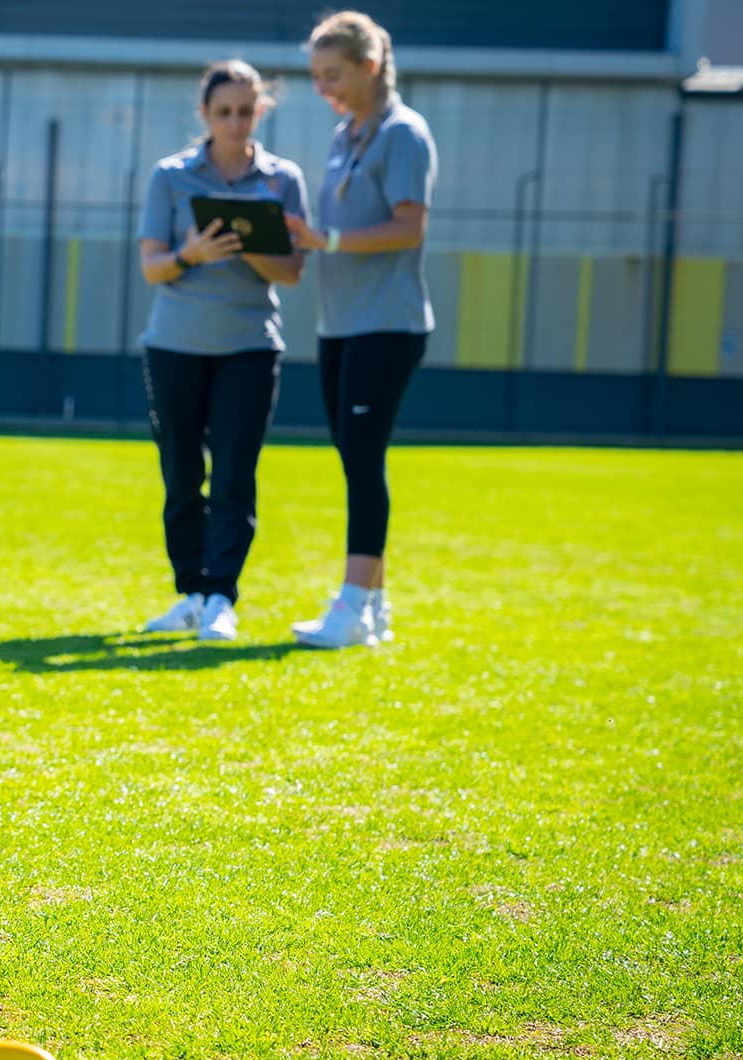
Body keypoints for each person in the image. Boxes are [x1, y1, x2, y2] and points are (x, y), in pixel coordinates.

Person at [136, 61, 308, 643]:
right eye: (224, 112)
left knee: (235, 475)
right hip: (174, 346)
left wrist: (251, 244)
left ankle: (221, 597)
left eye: (246, 111)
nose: (235, 122)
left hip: (249, 347)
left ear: (261, 111)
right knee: (182, 474)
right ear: (205, 116)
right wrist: (194, 254)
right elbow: (152, 266)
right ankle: (190, 592)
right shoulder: (170, 176)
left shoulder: (283, 180)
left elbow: (292, 272)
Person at [284, 10, 437, 650]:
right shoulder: (345, 133)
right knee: (353, 460)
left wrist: (330, 238)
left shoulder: (405, 133)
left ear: (370, 67)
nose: (325, 89)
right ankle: (370, 604)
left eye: (333, 75)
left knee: (364, 460)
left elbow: (410, 227)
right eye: (317, 77)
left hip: (387, 323)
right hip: (340, 323)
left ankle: (353, 605)